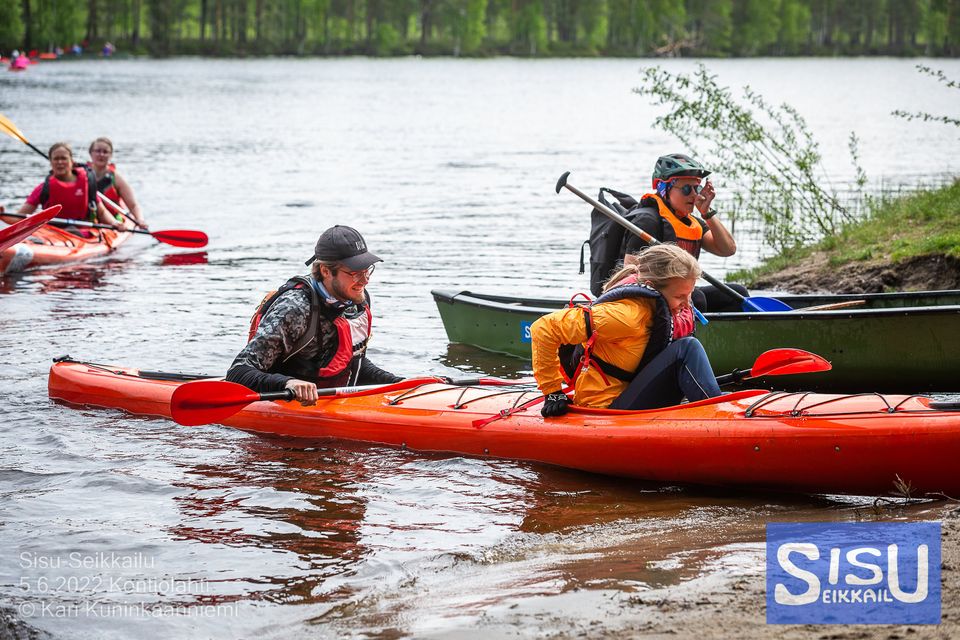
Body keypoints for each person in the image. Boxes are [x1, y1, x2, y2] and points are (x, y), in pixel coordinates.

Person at [532, 244, 721, 417]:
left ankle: (713, 404)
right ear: (651, 285)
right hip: (605, 408)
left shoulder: (655, 310)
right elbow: (544, 328)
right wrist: (553, 392)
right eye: (680, 296)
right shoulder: (625, 316)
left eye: (689, 295)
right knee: (687, 348)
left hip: (630, 394)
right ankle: (716, 416)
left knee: (686, 348)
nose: (687, 304)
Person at [226, 225, 403, 404]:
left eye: (367, 270)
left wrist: (400, 383)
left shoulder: (356, 301)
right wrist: (289, 383)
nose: (365, 280)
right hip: (282, 400)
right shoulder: (295, 308)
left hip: (330, 400)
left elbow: (353, 364)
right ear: (326, 271)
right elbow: (237, 372)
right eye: (355, 273)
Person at [620, 153, 745, 311]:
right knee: (697, 299)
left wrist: (707, 213)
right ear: (664, 189)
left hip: (681, 294)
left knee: (737, 293)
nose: (694, 195)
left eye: (696, 188)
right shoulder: (647, 221)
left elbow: (728, 249)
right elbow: (629, 274)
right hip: (650, 298)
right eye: (686, 189)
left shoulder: (691, 222)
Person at [15, 142, 122, 231]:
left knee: (72, 230)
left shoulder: (87, 184)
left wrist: (114, 223)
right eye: (56, 159)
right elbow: (19, 217)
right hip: (53, 233)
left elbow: (102, 212)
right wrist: (2, 214)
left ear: (72, 162)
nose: (60, 162)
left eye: (64, 158)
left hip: (84, 232)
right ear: (50, 162)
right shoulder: (43, 188)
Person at [87, 137, 147, 229]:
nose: (101, 154)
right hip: (88, 220)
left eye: (105, 152)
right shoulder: (81, 174)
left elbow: (133, 205)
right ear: (91, 153)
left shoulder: (116, 178)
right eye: (98, 151)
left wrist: (140, 219)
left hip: (113, 221)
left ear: (110, 155)